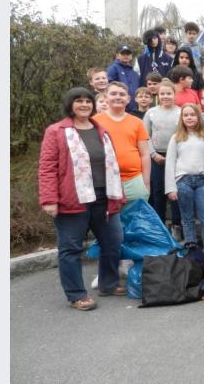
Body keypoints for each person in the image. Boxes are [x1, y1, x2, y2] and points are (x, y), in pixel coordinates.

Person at [39, 87, 127, 311]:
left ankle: (108, 283)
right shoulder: (56, 131)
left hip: (103, 196)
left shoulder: (101, 130)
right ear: (70, 105)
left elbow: (112, 165)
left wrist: (119, 194)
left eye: (88, 101)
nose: (84, 105)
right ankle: (76, 294)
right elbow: (47, 168)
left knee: (113, 241)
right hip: (73, 199)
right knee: (70, 248)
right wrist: (50, 199)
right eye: (79, 101)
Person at [165, 103, 204, 259]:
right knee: (187, 216)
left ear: (199, 116)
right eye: (186, 115)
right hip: (183, 181)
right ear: (182, 118)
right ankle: (191, 244)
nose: (189, 118)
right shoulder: (176, 138)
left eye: (192, 114)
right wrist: (170, 187)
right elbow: (170, 162)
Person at [93, 82, 151, 203]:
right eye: (113, 93)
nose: (118, 97)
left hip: (134, 179)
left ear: (128, 99)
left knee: (136, 219)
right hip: (105, 180)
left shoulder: (137, 122)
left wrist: (146, 182)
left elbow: (145, 154)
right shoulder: (95, 122)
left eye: (122, 94)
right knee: (110, 220)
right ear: (105, 98)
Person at [143, 80, 181, 226]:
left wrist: (174, 156)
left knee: (175, 192)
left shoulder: (180, 112)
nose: (165, 96)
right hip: (156, 157)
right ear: (158, 95)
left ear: (174, 94)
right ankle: (159, 225)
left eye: (169, 93)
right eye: (162, 94)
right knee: (158, 192)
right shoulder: (151, 113)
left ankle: (177, 225)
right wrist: (153, 154)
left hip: (176, 158)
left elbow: (183, 135)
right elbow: (145, 136)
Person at [106, 44, 140, 112]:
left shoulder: (135, 73)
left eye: (128, 54)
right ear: (117, 56)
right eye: (123, 54)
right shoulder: (113, 69)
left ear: (131, 56)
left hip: (134, 109)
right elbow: (109, 87)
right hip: (119, 108)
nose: (126, 56)